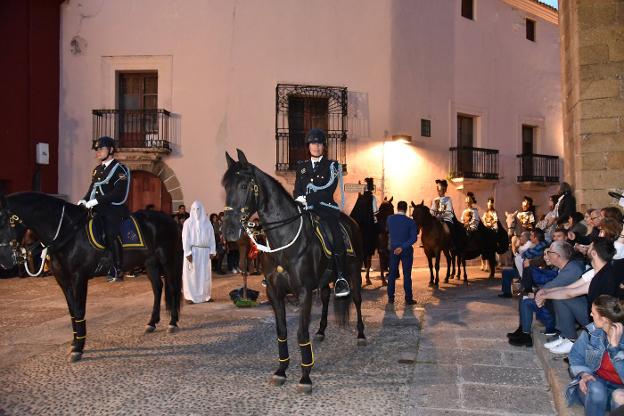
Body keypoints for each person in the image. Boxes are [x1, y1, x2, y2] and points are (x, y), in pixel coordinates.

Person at [293, 128, 349, 297]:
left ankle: (341, 277)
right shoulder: (301, 167)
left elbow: (328, 190)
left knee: (336, 237)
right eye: (312, 143)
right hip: (304, 210)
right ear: (308, 146)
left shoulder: (332, 166)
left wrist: (308, 200)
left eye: (319, 143)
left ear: (323, 146)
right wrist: (298, 198)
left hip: (325, 209)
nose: (316, 147)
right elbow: (297, 189)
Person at [508, 241, 584, 347]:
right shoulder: (566, 266)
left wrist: (540, 294)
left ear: (557, 256)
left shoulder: (573, 268)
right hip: (562, 304)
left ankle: (568, 337)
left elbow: (554, 285)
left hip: (581, 312)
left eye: (549, 252)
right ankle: (525, 333)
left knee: (559, 297)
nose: (547, 255)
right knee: (526, 299)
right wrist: (540, 294)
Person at [78, 136, 130, 282]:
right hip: (97, 209)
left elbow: (118, 193)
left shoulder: (120, 169)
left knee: (110, 233)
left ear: (111, 150)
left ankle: (118, 269)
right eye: (97, 149)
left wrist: (96, 201)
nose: (98, 152)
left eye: (101, 149)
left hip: (114, 209)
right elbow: (92, 188)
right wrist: (84, 199)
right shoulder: (97, 170)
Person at [566, 295, 624, 415]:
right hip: (595, 387)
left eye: (593, 313)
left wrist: (614, 349)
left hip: (619, 389)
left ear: (604, 319)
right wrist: (584, 374)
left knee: (620, 397)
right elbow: (575, 357)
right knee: (597, 389)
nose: (591, 315)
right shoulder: (591, 332)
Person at [182, 201, 216, 304]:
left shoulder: (207, 223)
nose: (196, 212)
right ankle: (190, 296)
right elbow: (185, 238)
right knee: (192, 275)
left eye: (198, 209)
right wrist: (188, 253)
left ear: (202, 210)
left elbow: (211, 237)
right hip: (193, 252)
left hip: (205, 252)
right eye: (193, 209)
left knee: (205, 274)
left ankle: (205, 296)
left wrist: (212, 250)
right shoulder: (188, 223)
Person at [386, 201, 418, 305]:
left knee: (392, 274)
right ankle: (408, 299)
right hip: (406, 250)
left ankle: (391, 298)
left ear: (397, 208)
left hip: (393, 249)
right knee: (407, 274)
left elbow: (388, 231)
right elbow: (414, 238)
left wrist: (397, 246)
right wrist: (403, 247)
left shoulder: (390, 219)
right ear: (405, 209)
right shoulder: (411, 222)